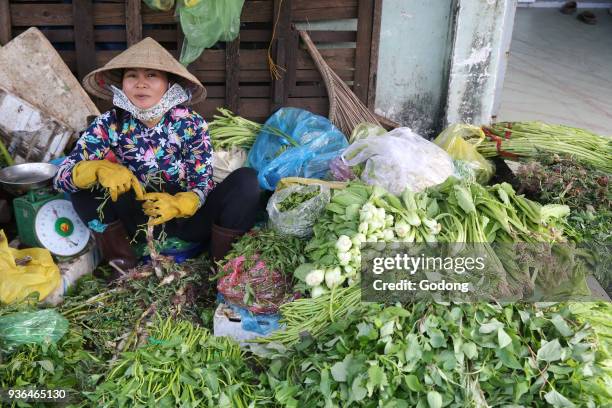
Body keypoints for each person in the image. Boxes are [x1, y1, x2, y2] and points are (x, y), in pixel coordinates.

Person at [53, 38, 261, 275]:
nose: (141, 84)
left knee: (247, 181)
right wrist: (97, 168)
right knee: (82, 186)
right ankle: (122, 268)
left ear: (168, 84)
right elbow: (60, 177)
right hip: (139, 220)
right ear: (122, 84)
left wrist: (182, 203)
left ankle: (224, 272)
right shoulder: (109, 123)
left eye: (151, 75)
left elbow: (202, 181)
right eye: (132, 76)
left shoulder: (190, 123)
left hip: (187, 223)